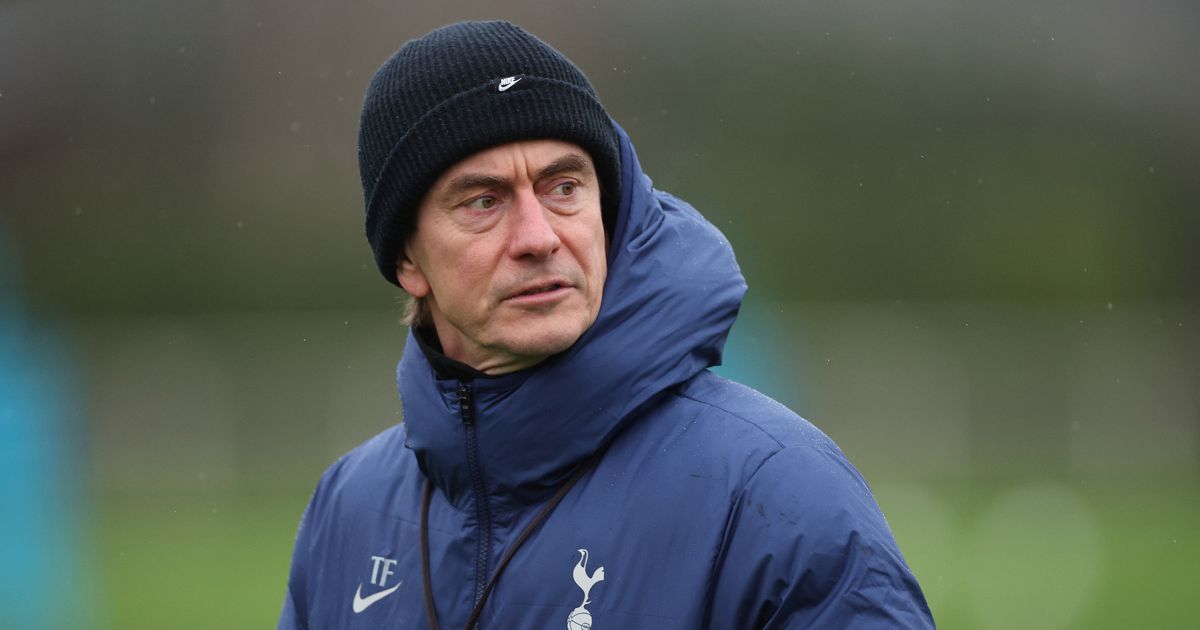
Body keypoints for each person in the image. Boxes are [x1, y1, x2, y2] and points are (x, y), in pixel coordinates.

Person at [279, 20, 933, 629]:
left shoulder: (775, 489)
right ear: (406, 259)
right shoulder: (348, 509)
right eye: (483, 201)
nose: (538, 237)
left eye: (564, 187)